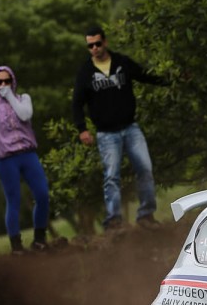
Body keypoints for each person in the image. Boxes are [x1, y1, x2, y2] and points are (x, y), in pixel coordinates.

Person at [71, 26, 168, 230]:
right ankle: (114, 221)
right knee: (112, 177)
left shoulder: (122, 62)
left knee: (145, 169)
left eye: (98, 43)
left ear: (105, 42)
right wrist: (82, 129)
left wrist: (171, 79)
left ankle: (146, 215)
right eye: (90, 45)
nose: (95, 48)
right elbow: (77, 103)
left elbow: (145, 75)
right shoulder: (85, 72)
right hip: (106, 134)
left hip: (130, 127)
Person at [0, 66, 50, 253]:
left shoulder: (23, 99)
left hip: (27, 154)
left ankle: (40, 239)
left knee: (42, 194)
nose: (3, 85)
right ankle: (16, 246)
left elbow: (25, 115)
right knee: (14, 201)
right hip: (5, 159)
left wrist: (10, 96)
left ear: (13, 82)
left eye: (7, 81)